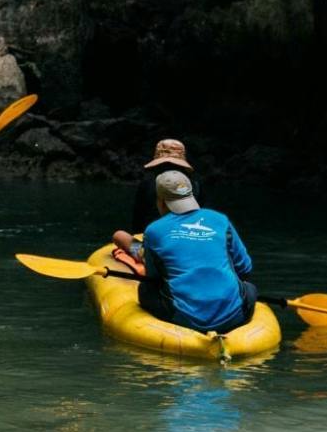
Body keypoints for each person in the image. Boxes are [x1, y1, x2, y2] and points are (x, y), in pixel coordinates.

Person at [110, 171, 257, 333]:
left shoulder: (154, 231)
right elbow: (245, 268)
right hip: (234, 317)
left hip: (183, 317)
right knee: (249, 288)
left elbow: (153, 276)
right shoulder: (220, 220)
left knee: (145, 290)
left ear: (161, 202)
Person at [126, 138, 200, 235]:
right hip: (187, 236)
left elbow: (138, 219)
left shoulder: (147, 183)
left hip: (152, 237)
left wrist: (135, 247)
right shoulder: (194, 183)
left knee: (119, 235)